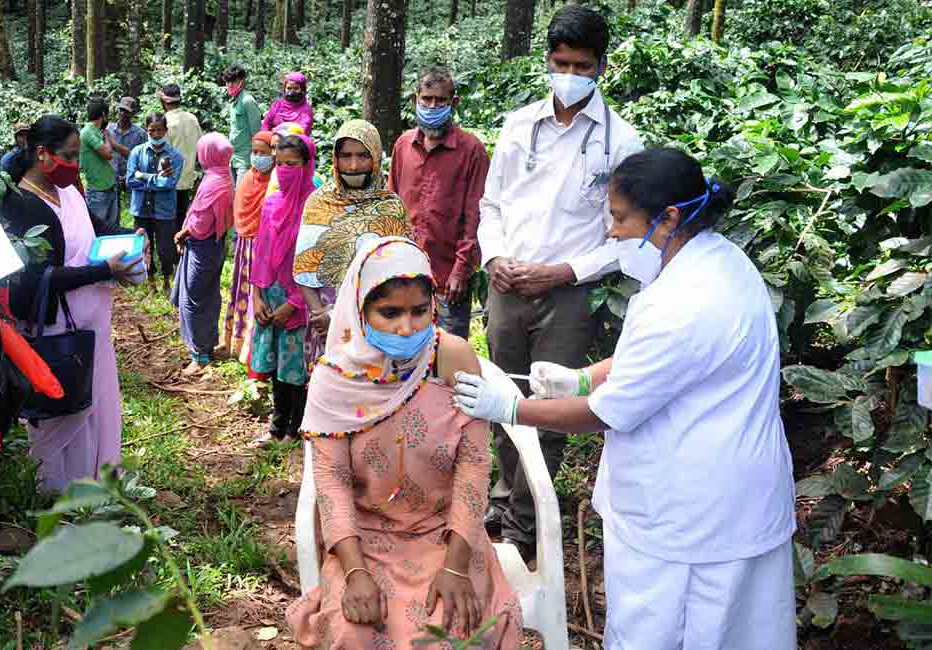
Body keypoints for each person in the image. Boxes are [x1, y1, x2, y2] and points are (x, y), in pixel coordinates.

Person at [453, 148, 797, 649]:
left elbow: (603, 413)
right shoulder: (719, 262)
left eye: (618, 217)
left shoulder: (684, 304)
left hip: (690, 518)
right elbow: (654, 365)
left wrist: (509, 408)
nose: (611, 232)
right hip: (729, 498)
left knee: (672, 632)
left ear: (670, 216)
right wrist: (583, 377)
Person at [286, 237, 523, 650]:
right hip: (362, 539)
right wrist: (355, 572)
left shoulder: (452, 358)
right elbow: (332, 481)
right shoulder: (335, 377)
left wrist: (456, 567)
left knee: (451, 629)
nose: (407, 327)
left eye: (419, 311)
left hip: (446, 534)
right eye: (389, 313)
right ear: (361, 310)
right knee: (354, 632)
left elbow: (473, 467)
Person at [477, 4, 643, 559]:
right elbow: (491, 203)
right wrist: (495, 257)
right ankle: (502, 497)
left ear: (601, 66)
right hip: (506, 285)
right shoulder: (518, 125)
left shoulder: (620, 142)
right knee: (504, 394)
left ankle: (527, 519)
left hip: (568, 295)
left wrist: (563, 272)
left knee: (550, 402)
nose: (570, 75)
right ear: (546, 60)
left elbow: (623, 237)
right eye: (561, 62)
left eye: (582, 65)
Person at [0, 115, 141, 493]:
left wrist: (131, 237)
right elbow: (36, 278)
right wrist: (102, 271)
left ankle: (98, 477)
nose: (76, 165)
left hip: (92, 320)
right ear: (42, 153)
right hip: (56, 326)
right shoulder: (20, 204)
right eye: (70, 156)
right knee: (62, 406)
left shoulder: (69, 192)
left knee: (95, 400)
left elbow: (97, 228)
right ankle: (58, 489)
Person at [293, 119, 411, 369]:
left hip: (379, 319)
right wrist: (321, 314)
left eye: (362, 156)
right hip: (325, 319)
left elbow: (405, 270)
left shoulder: (391, 206)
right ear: (335, 158)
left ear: (376, 158)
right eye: (345, 156)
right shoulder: (319, 202)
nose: (354, 165)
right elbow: (304, 267)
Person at [389, 66, 490, 339]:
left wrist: (462, 269)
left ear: (453, 103)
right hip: (404, 272)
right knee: (404, 349)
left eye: (441, 100)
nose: (433, 106)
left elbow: (475, 216)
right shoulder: (403, 145)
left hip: (448, 278)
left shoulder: (472, 151)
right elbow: (392, 207)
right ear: (416, 99)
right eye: (427, 99)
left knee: (446, 354)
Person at [247, 134, 317, 447]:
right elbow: (260, 250)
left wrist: (294, 302)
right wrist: (258, 295)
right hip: (270, 294)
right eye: (281, 164)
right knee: (276, 364)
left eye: (293, 164)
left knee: (296, 368)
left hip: (300, 300)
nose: (286, 170)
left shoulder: (316, 207)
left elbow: (318, 262)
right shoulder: (272, 202)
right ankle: (276, 427)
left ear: (307, 165)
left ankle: (296, 428)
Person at [172, 133, 235, 374]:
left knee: (193, 300)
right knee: (209, 295)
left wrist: (182, 234)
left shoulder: (212, 184)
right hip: (216, 245)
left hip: (202, 246)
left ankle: (199, 356)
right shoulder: (223, 176)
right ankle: (207, 344)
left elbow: (199, 224)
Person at [223, 131, 275, 360]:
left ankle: (254, 349)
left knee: (260, 296)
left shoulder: (275, 182)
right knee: (242, 290)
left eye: (263, 153)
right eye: (254, 152)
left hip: (265, 247)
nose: (257, 157)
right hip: (245, 244)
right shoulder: (247, 178)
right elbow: (239, 211)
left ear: (274, 155)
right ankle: (238, 338)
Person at [127, 113, 185, 294]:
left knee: (165, 248)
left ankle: (167, 281)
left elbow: (169, 184)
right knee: (145, 246)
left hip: (164, 210)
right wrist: (156, 179)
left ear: (166, 131)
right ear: (147, 130)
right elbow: (130, 180)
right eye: (152, 130)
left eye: (160, 130)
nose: (156, 134)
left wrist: (142, 176)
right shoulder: (137, 152)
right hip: (141, 209)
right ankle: (150, 280)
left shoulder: (175, 156)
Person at [158, 83, 204, 229]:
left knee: (168, 222)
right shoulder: (192, 119)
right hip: (187, 179)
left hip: (168, 181)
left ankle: (171, 249)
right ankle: (181, 249)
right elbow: (200, 147)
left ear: (164, 102)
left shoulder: (164, 122)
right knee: (182, 219)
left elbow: (159, 154)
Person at [80, 99, 122, 233]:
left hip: (109, 188)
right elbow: (108, 153)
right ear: (103, 114)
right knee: (98, 231)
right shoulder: (88, 132)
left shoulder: (97, 131)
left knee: (112, 229)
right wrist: (107, 138)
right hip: (98, 192)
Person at [224, 63, 263, 183]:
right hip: (233, 157)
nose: (230, 85)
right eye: (228, 82)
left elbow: (256, 132)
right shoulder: (233, 102)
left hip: (245, 159)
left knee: (241, 194)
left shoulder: (248, 101)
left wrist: (256, 157)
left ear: (241, 81)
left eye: (233, 82)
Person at [107, 96, 148, 201]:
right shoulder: (108, 129)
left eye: (126, 111)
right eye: (121, 110)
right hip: (110, 177)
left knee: (135, 206)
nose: (123, 114)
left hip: (131, 176)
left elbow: (142, 158)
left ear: (132, 114)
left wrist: (129, 175)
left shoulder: (140, 134)